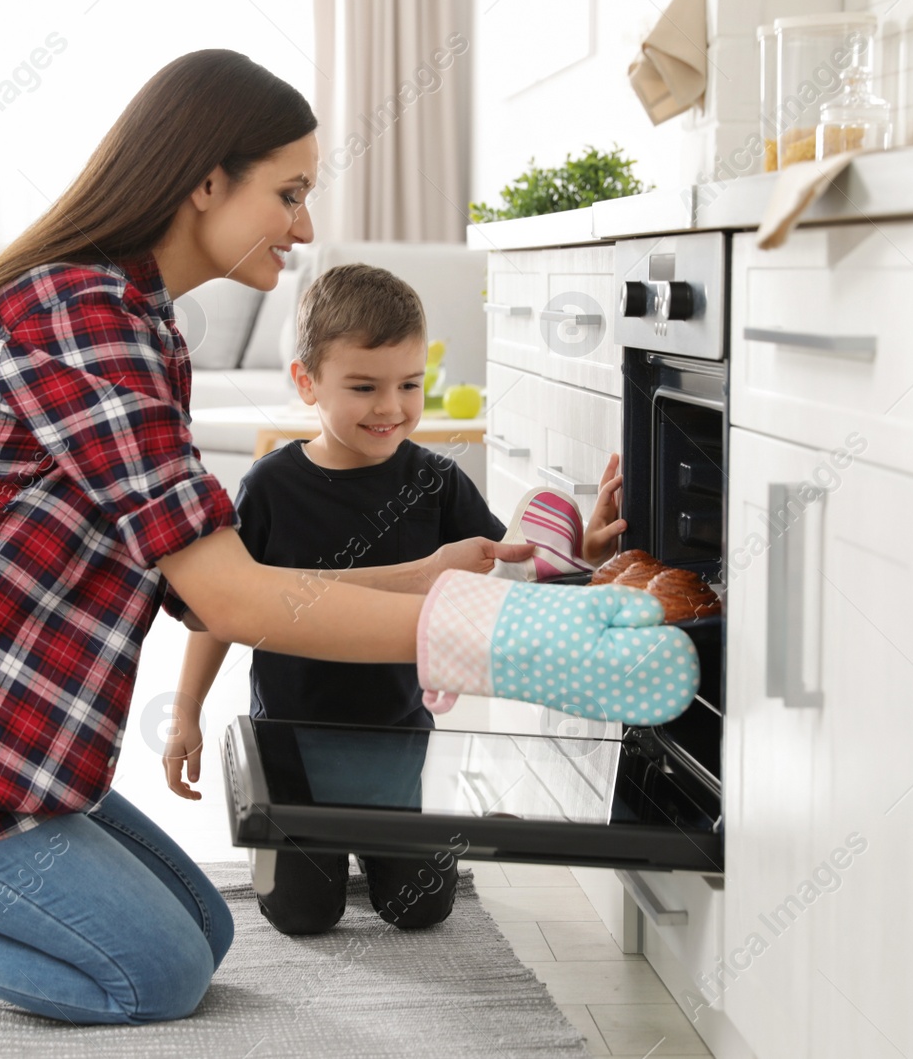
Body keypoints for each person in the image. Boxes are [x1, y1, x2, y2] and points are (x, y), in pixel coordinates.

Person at [0, 48, 696, 1034]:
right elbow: (240, 603)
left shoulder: (142, 325)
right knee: (149, 974)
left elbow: (212, 587)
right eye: (287, 191)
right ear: (207, 182)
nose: (304, 224)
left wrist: (446, 585)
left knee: (199, 930)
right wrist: (506, 636)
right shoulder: (78, 315)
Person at [161, 262, 628, 935]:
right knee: (301, 916)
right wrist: (184, 712)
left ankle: (406, 844)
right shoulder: (269, 487)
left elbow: (511, 573)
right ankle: (308, 862)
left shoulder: (436, 482)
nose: (391, 408)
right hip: (288, 744)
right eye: (364, 387)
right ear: (306, 382)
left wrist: (585, 552)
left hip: (398, 740)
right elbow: (218, 612)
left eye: (410, 384)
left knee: (419, 910)